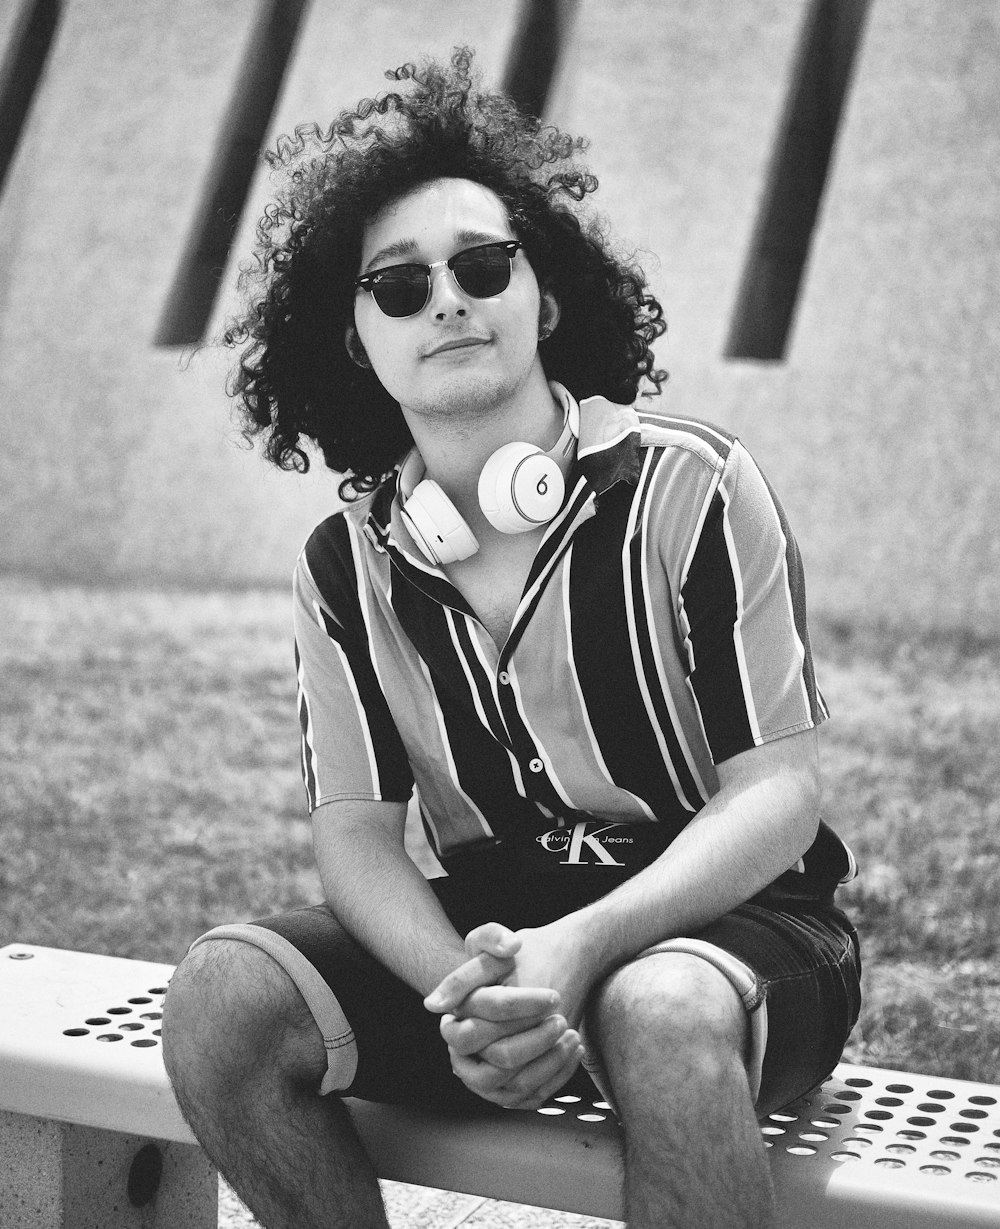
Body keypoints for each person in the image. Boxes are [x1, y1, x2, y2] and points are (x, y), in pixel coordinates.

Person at [161, 48, 861, 1229]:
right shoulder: (344, 566)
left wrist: (581, 948)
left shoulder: (692, 486)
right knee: (221, 996)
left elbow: (778, 793)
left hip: (731, 926)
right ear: (353, 341)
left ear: (543, 297)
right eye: (397, 285)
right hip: (492, 944)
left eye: (482, 265)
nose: (446, 299)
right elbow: (357, 837)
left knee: (657, 1009)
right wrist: (461, 991)